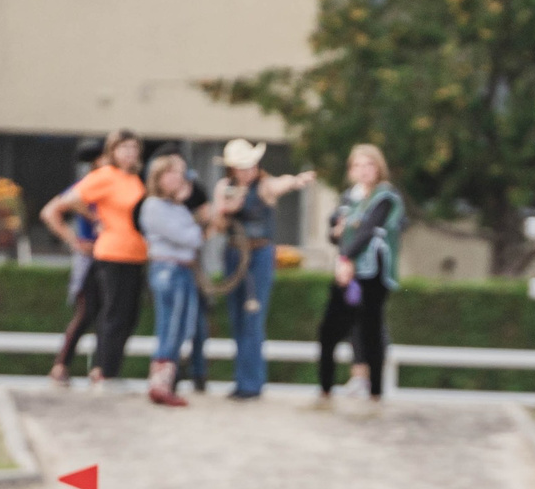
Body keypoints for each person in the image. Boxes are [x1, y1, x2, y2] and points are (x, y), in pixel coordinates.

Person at [206, 138, 316, 401]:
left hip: (258, 256)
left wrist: (296, 181)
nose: (246, 171)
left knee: (253, 319)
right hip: (234, 254)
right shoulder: (225, 187)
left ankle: (251, 383)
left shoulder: (264, 186)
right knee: (236, 319)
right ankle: (243, 379)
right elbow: (218, 224)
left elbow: (281, 184)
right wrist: (224, 210)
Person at [40, 129, 147, 389]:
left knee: (125, 316)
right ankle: (101, 372)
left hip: (135, 255)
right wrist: (90, 223)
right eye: (124, 148)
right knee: (104, 314)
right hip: (110, 254)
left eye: (134, 148)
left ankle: (104, 368)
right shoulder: (103, 177)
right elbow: (61, 205)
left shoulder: (134, 179)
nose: (130, 153)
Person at [317, 143, 405, 402]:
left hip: (373, 270)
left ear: (379, 168)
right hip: (348, 271)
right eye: (358, 165)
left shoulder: (385, 197)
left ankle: (372, 385)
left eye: (369, 165)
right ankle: (335, 383)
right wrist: (339, 232)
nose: (364, 171)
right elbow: (335, 230)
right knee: (335, 328)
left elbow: (367, 230)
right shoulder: (349, 197)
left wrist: (346, 256)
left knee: (370, 327)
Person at [138, 151, 205, 408]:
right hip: (170, 270)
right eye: (173, 172)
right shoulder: (153, 206)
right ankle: (160, 384)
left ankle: (165, 382)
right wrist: (195, 229)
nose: (180, 177)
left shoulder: (175, 207)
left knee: (179, 328)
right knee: (170, 327)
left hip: (182, 270)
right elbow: (189, 238)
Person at [43, 136, 106, 384]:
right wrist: (75, 240)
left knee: (105, 315)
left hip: (109, 254)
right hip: (91, 255)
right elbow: (51, 212)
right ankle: (62, 364)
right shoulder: (87, 185)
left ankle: (98, 366)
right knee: (87, 312)